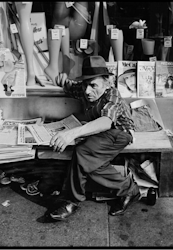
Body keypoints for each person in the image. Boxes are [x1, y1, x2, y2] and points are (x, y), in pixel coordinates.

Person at [44, 55, 140, 221]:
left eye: (93, 85)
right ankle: (129, 190)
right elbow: (69, 86)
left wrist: (71, 133)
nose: (87, 91)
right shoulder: (85, 90)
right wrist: (61, 80)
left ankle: (71, 200)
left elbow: (106, 121)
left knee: (82, 152)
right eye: (85, 85)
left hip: (119, 131)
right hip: (99, 132)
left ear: (107, 82)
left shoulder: (112, 94)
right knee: (89, 161)